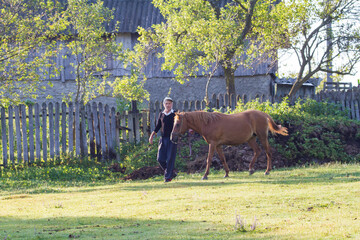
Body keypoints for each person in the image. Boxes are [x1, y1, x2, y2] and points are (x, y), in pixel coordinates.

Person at [149, 97, 178, 182]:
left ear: (172, 104)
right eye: (166, 103)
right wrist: (151, 136)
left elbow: (180, 125)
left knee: (170, 158)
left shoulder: (175, 114)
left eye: (169, 103)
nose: (168, 105)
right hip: (163, 138)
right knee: (160, 158)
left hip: (172, 139)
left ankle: (168, 177)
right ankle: (171, 172)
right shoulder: (162, 114)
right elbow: (158, 126)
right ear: (164, 104)